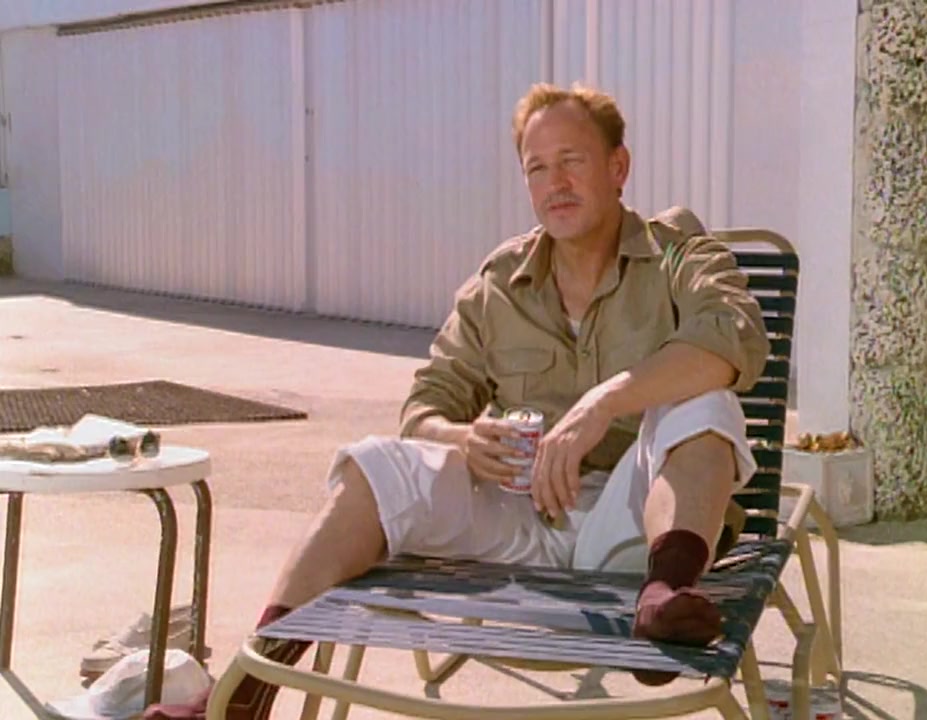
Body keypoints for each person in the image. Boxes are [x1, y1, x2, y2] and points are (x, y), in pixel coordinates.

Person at [146, 82, 769, 720]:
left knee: (704, 401)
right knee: (376, 466)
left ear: (618, 167)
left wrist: (605, 403)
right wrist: (463, 440)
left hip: (637, 523)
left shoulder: (678, 253)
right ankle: (243, 696)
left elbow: (734, 336)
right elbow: (425, 406)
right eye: (537, 168)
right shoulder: (499, 284)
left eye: (572, 160)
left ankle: (666, 596)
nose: (555, 183)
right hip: (525, 515)